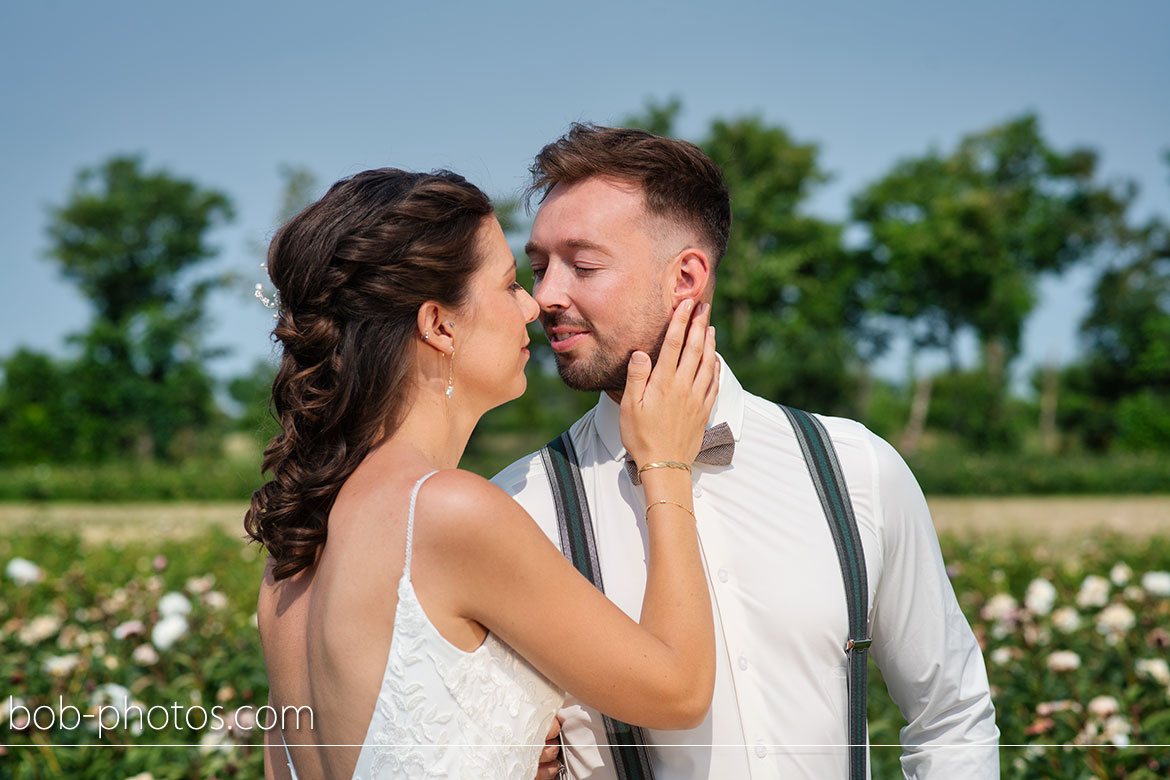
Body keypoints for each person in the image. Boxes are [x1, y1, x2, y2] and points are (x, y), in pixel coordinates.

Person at [493, 125, 1001, 779]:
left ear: (686, 276)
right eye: (540, 267)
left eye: (583, 265)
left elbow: (950, 714)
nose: (546, 298)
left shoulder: (856, 469)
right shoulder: (517, 506)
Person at [247, 167, 724, 780]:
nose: (533, 305)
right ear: (439, 325)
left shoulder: (295, 553)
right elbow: (680, 692)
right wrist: (665, 462)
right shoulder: (447, 511)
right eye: (507, 285)